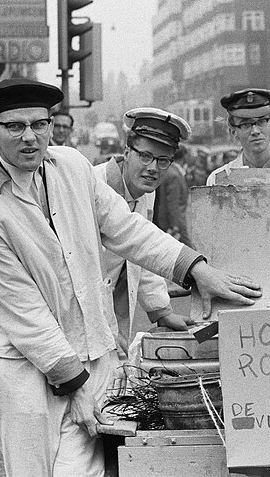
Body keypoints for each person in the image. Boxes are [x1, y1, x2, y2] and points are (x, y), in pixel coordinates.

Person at [0, 78, 262, 476]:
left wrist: (195, 269)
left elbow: (127, 228)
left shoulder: (71, 167)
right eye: (15, 126)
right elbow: (25, 315)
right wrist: (77, 385)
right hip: (22, 372)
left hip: (89, 353)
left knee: (84, 472)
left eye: (40, 124)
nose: (30, 136)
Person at [94, 108, 194, 358]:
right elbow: (74, 272)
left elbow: (141, 253)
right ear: (127, 152)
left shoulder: (146, 192)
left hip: (113, 313)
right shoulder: (91, 187)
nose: (153, 168)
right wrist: (100, 329)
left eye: (163, 161)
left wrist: (161, 311)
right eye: (146, 156)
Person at [206, 88, 270, 185]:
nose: (255, 131)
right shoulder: (219, 181)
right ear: (234, 132)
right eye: (246, 124)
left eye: (261, 122)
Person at [153, 146, 192, 246]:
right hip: (173, 227)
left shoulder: (168, 171)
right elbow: (174, 205)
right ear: (185, 157)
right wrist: (177, 228)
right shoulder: (175, 175)